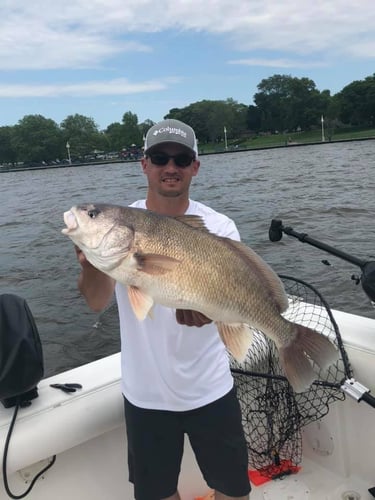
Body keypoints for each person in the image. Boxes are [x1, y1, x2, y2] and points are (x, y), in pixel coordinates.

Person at [75, 119, 251, 500]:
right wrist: (90, 263)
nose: (170, 167)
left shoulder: (220, 226)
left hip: (211, 389)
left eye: (181, 158)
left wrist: (211, 314)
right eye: (159, 157)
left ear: (195, 167)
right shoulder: (122, 226)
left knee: (234, 491)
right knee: (156, 494)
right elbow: (95, 301)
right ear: (144, 164)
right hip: (146, 396)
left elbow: (233, 299)